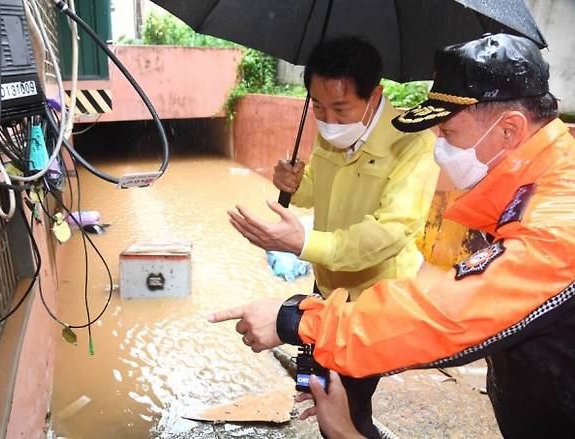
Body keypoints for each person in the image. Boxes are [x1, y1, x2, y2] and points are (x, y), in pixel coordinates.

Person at [211, 33, 575, 438]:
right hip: (537, 402)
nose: (438, 146)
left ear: (508, 131)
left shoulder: (559, 224)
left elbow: (441, 316)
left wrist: (292, 318)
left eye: (449, 132)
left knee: (350, 412)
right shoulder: (533, 190)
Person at [227, 36, 439, 438]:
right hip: (327, 285)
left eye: (341, 108)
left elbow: (390, 233)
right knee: (321, 386)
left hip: (374, 300)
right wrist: (292, 183)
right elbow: (315, 188)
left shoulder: (413, 143)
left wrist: (305, 244)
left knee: (346, 406)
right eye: (319, 107)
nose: (329, 120)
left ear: (375, 95)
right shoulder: (331, 132)